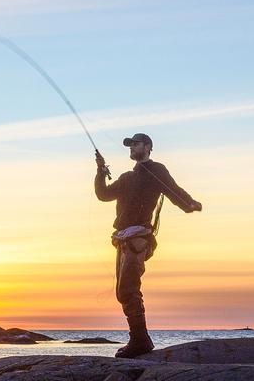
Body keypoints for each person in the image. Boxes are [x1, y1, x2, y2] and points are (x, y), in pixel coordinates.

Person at [95, 133, 202, 358]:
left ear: (148, 147)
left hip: (138, 238)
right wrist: (100, 171)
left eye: (136, 143)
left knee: (129, 288)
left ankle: (140, 341)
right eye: (130, 145)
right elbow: (103, 195)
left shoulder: (156, 170)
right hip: (122, 240)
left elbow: (173, 191)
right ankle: (140, 339)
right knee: (123, 291)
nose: (132, 148)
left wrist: (189, 204)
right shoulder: (126, 178)